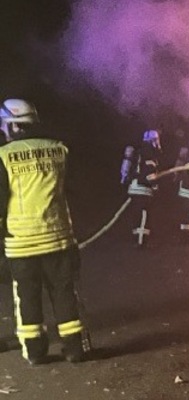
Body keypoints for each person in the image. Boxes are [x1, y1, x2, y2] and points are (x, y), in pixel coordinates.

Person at [0, 98, 86, 364]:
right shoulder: (60, 150)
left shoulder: (3, 156)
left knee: (27, 296)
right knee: (64, 291)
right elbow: (72, 188)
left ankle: (36, 352)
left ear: (13, 126)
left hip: (22, 242)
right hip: (58, 236)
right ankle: (74, 348)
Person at [121, 129, 162, 247]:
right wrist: (155, 185)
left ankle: (137, 239)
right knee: (144, 214)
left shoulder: (140, 151)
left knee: (137, 214)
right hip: (143, 188)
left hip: (134, 186)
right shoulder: (149, 152)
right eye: (156, 140)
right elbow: (150, 172)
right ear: (153, 140)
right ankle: (140, 241)